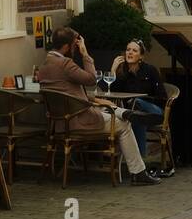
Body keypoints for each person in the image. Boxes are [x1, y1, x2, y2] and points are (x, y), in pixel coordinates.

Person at [37, 27, 160, 185]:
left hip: (60, 123)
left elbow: (65, 94)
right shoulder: (65, 64)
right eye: (74, 46)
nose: (76, 49)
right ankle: (138, 172)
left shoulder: (44, 65)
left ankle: (123, 111)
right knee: (124, 125)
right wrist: (85, 54)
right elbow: (92, 79)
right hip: (79, 121)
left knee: (105, 107)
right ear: (67, 47)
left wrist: (97, 100)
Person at [108, 39, 171, 177]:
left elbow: (162, 97)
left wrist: (143, 100)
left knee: (138, 106)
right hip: (137, 114)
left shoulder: (150, 70)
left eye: (134, 50)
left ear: (141, 56)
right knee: (137, 116)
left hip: (154, 111)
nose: (130, 52)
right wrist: (113, 70)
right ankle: (141, 164)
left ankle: (140, 161)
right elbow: (111, 91)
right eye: (128, 49)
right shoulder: (122, 71)